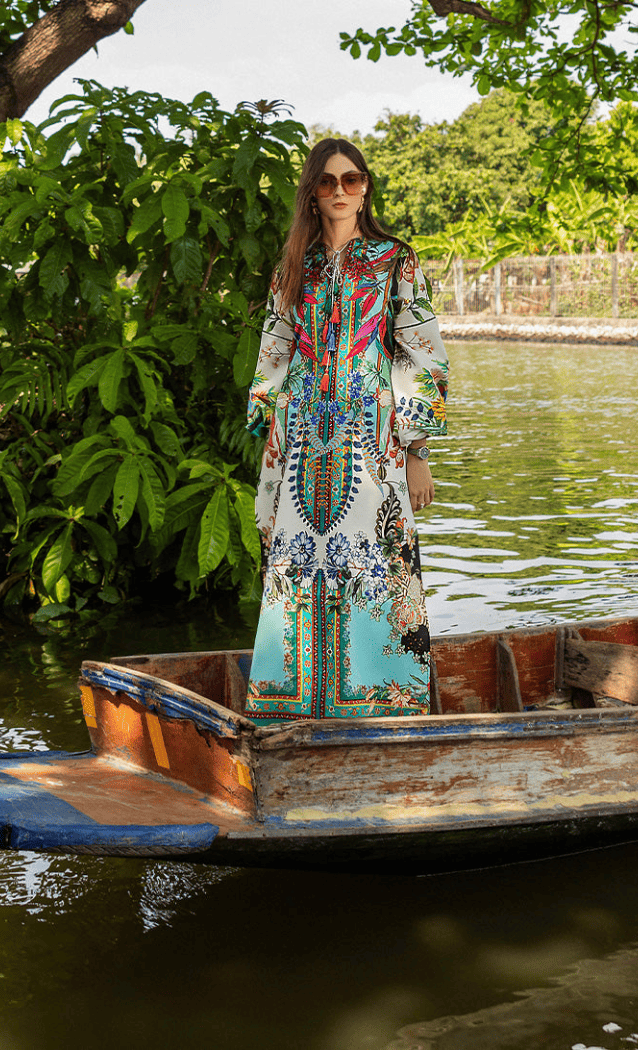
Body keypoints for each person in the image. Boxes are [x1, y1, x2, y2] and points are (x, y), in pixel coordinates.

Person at [244, 138, 448, 724]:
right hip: (300, 442)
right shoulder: (294, 266)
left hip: (372, 441)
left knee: (377, 561)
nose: (340, 191)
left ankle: (385, 707)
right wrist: (270, 445)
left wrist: (417, 449)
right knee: (295, 562)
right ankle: (292, 710)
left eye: (351, 180)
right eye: (328, 181)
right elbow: (274, 351)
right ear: (312, 191)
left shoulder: (395, 260)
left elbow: (422, 355)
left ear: (365, 189)